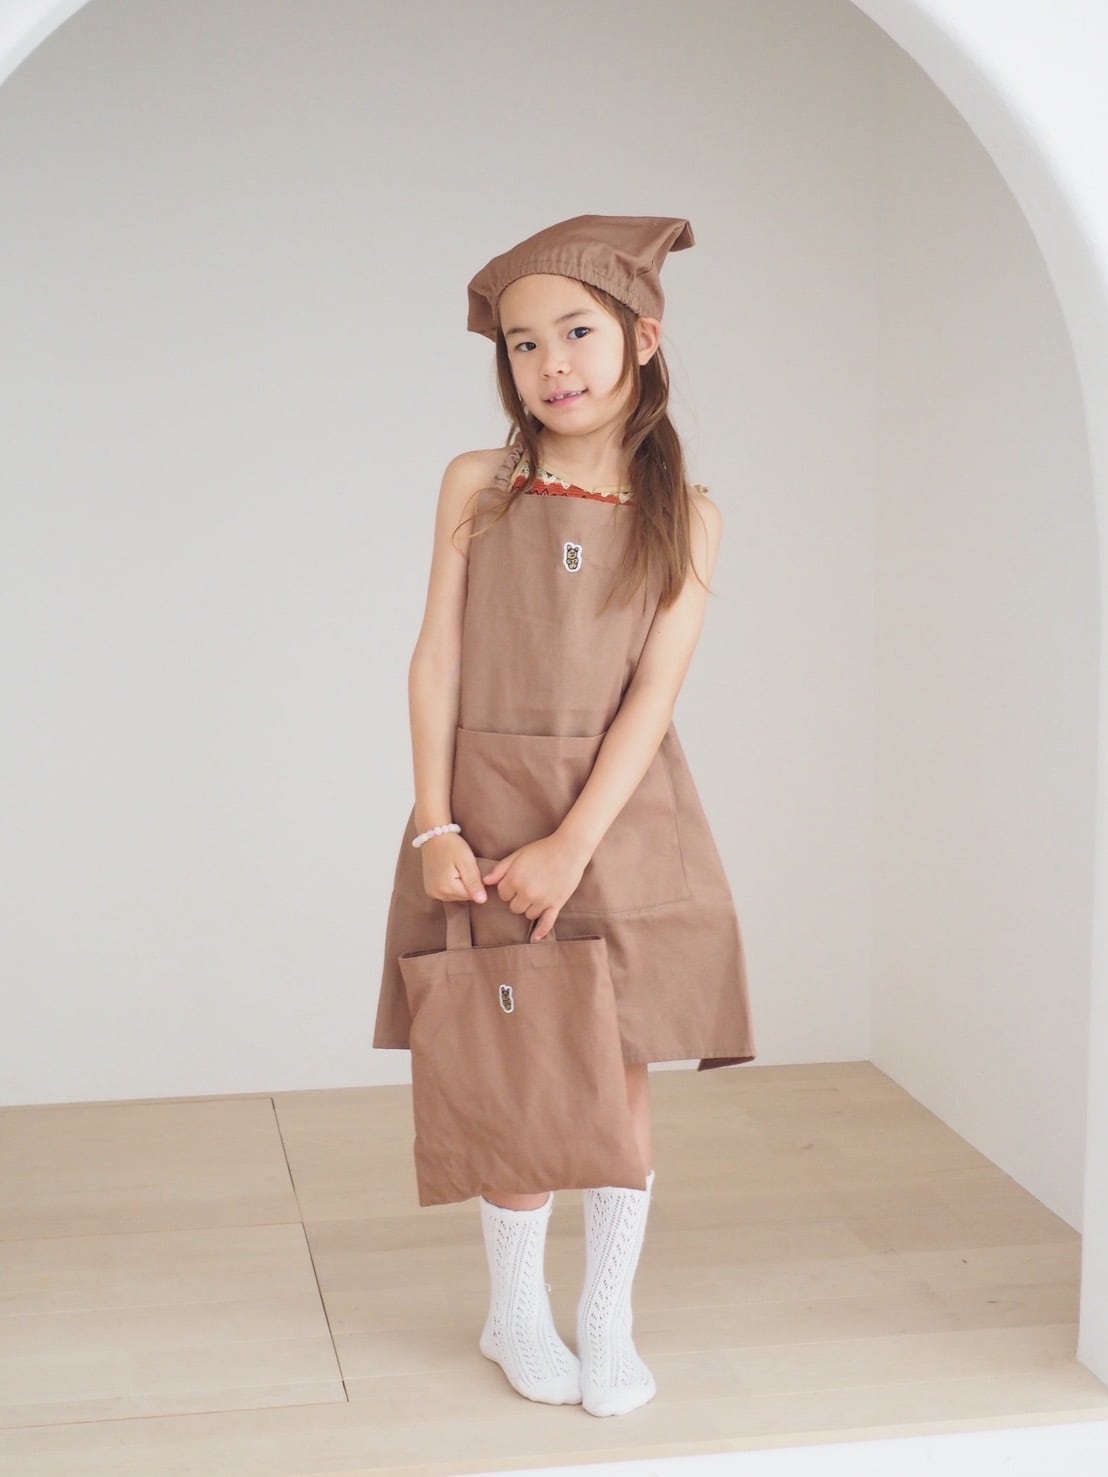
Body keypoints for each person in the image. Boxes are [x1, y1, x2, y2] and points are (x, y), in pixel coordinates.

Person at [373, 215, 756, 1418]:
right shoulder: (477, 485)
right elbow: (435, 658)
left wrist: (575, 844)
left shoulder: (686, 513)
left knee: (617, 1071)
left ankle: (606, 1315)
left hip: (617, 818)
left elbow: (653, 697)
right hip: (487, 812)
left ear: (642, 336)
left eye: (578, 332)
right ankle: (514, 1310)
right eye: (525, 343)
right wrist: (436, 824)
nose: (553, 364)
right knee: (517, 1071)